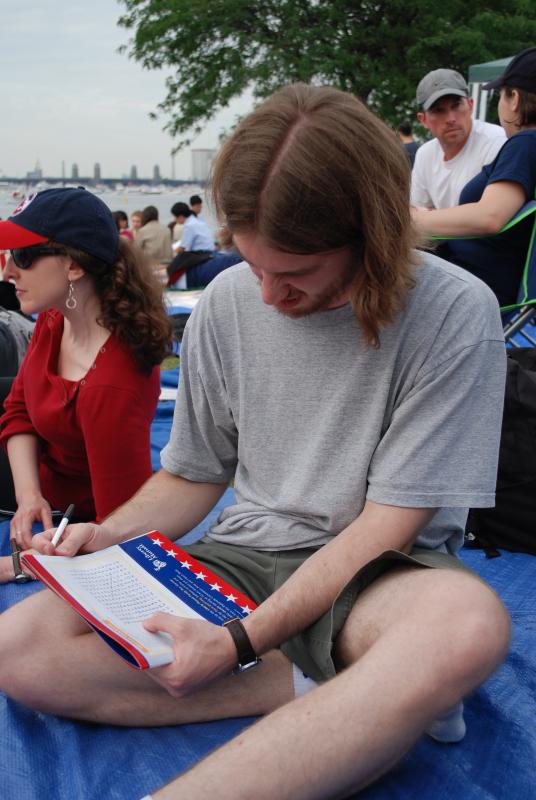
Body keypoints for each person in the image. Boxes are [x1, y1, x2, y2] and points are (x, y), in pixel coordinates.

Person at [0, 86, 510, 800]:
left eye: (295, 274)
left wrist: (237, 642)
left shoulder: (454, 312)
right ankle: (350, 697)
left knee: (466, 625)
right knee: (19, 650)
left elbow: (389, 526)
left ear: (374, 238)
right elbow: (193, 474)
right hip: (241, 554)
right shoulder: (231, 301)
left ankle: (370, 690)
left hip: (381, 574)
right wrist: (107, 535)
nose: (266, 295)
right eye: (253, 264)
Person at [0, 187, 171, 582]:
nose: (7, 271)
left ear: (74, 266)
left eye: (22, 257)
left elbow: (119, 533)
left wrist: (18, 566)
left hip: (74, 518)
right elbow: (19, 409)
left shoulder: (110, 387)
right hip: (39, 484)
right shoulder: (55, 318)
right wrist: (28, 497)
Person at [412, 47, 536, 307]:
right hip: (470, 277)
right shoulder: (524, 145)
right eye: (438, 111)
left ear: (514, 98)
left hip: (477, 290)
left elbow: (490, 216)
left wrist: (408, 222)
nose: (451, 118)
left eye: (500, 95)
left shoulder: (524, 142)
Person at [411, 68, 506, 209]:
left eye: (456, 106)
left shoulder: (496, 141)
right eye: (438, 110)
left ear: (470, 105)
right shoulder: (424, 154)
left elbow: (493, 214)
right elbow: (418, 210)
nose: (450, 119)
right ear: (423, 120)